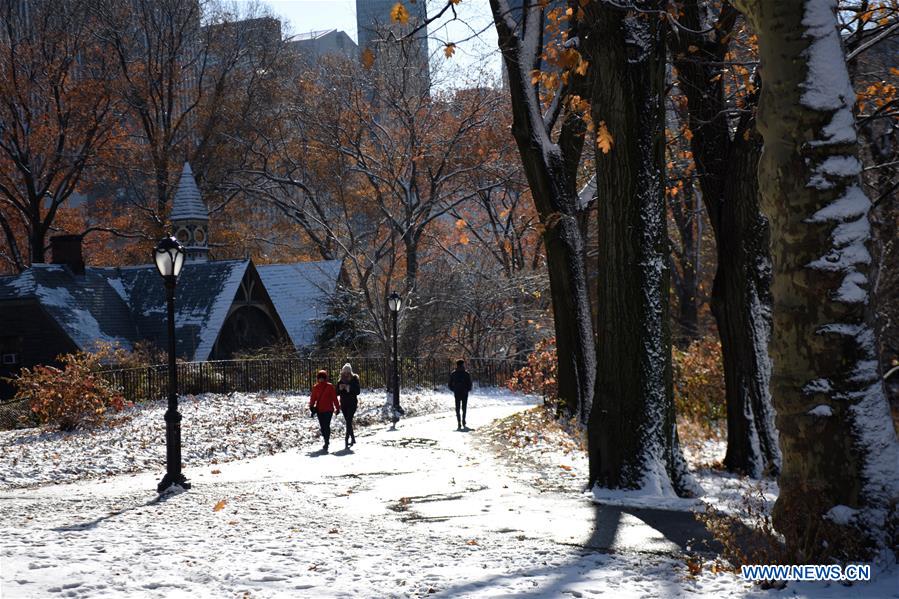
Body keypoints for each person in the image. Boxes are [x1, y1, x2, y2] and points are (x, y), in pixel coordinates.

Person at [310, 370, 340, 452]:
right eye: (320, 378)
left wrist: (337, 407)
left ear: (325, 378)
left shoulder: (330, 387)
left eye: (323, 377)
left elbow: (334, 398)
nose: (321, 379)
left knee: (326, 425)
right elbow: (313, 398)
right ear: (318, 378)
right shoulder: (315, 387)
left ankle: (327, 441)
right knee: (322, 427)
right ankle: (326, 439)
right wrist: (311, 406)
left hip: (328, 410)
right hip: (320, 410)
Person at [336, 363, 361, 449]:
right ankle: (353, 438)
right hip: (344, 404)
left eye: (347, 372)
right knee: (348, 421)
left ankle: (346, 439)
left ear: (350, 372)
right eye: (344, 372)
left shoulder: (354, 379)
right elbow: (336, 393)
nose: (346, 374)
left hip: (352, 403)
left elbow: (358, 391)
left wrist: (349, 388)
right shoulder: (340, 380)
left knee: (349, 420)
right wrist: (340, 388)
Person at [448, 359, 472, 430]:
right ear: (463, 365)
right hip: (464, 393)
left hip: (457, 392)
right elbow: (470, 384)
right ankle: (463, 420)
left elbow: (449, 384)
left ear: (457, 365)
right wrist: (467, 389)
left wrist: (454, 389)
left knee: (457, 408)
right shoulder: (466, 374)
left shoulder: (453, 374)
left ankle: (459, 422)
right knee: (464, 408)